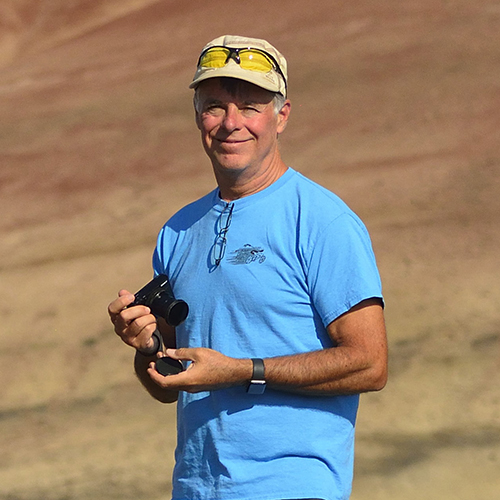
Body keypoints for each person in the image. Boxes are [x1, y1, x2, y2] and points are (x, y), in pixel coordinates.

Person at [108, 34, 388, 500]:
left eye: (251, 106)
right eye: (215, 105)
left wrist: (243, 371)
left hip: (293, 486)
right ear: (197, 116)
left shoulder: (322, 220)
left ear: (282, 116)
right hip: (197, 487)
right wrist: (145, 346)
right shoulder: (177, 231)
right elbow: (168, 383)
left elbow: (370, 364)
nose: (231, 123)